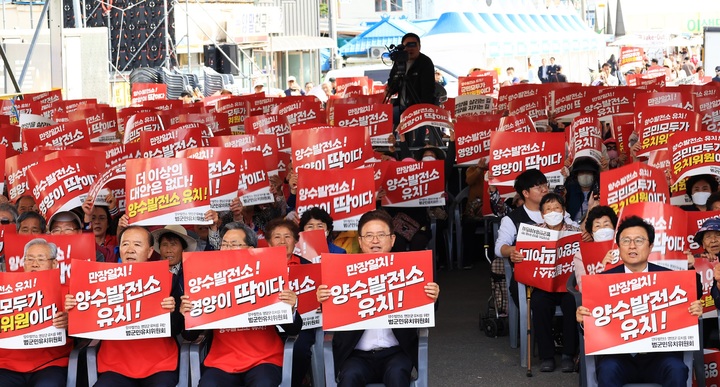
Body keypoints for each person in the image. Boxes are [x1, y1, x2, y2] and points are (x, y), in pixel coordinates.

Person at [316, 210, 440, 387]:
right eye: (369, 235)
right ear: (360, 241)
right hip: (356, 355)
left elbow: (428, 311)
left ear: (392, 240)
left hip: (396, 353)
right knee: (349, 377)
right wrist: (323, 301)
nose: (375, 241)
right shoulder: (342, 272)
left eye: (381, 235)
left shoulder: (409, 270)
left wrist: (433, 297)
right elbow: (328, 316)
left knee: (397, 376)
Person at [576, 216, 703, 386]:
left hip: (660, 357)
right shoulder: (602, 281)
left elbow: (694, 295)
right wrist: (584, 321)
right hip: (620, 358)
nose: (632, 246)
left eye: (639, 240)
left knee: (677, 369)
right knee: (607, 369)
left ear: (650, 246)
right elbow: (591, 331)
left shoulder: (670, 278)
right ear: (619, 246)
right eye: (626, 240)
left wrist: (694, 310)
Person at [181, 223, 302, 387]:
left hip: (264, 359)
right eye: (224, 244)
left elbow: (293, 330)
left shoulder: (268, 276)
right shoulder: (207, 281)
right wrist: (187, 314)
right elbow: (190, 337)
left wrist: (291, 309)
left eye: (234, 244)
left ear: (251, 248)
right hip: (221, 361)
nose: (227, 248)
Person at [65, 226, 184, 387]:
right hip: (115, 365)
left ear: (149, 252)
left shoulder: (169, 279)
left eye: (137, 245)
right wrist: (73, 310)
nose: (130, 250)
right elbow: (83, 331)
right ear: (119, 249)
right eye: (125, 244)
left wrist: (172, 313)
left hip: (159, 364)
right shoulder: (99, 281)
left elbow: (177, 328)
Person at [0, 239, 71, 387]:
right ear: (23, 263)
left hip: (50, 364)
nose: (35, 264)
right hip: (6, 365)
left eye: (41, 259)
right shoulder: (5, 290)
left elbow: (85, 328)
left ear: (54, 264)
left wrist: (70, 323)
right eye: (30, 259)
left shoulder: (68, 292)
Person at [531, 193, 580, 372]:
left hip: (568, 285)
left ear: (563, 211)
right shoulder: (533, 232)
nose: (553, 212)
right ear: (542, 214)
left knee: (572, 303)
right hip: (544, 285)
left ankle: (568, 354)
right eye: (548, 209)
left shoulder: (575, 233)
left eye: (557, 208)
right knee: (538, 303)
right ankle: (547, 356)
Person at [386, 32, 436, 147]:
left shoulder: (425, 62)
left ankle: (416, 149)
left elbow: (428, 90)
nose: (410, 48)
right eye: (407, 45)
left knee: (422, 117)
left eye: (414, 45)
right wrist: (390, 87)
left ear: (419, 47)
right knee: (385, 117)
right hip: (400, 106)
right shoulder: (399, 62)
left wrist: (421, 109)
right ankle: (390, 147)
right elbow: (392, 87)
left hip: (419, 106)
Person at [572, 205, 618, 291]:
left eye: (606, 224)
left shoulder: (625, 247)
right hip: (596, 295)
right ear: (592, 233)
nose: (603, 229)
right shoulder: (581, 255)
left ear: (614, 228)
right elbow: (583, 287)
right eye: (598, 226)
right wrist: (603, 268)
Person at [565, 158, 600, 223]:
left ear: (594, 175)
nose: (585, 175)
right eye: (582, 172)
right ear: (577, 175)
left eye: (588, 172)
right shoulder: (569, 190)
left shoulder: (599, 190)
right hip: (574, 227)